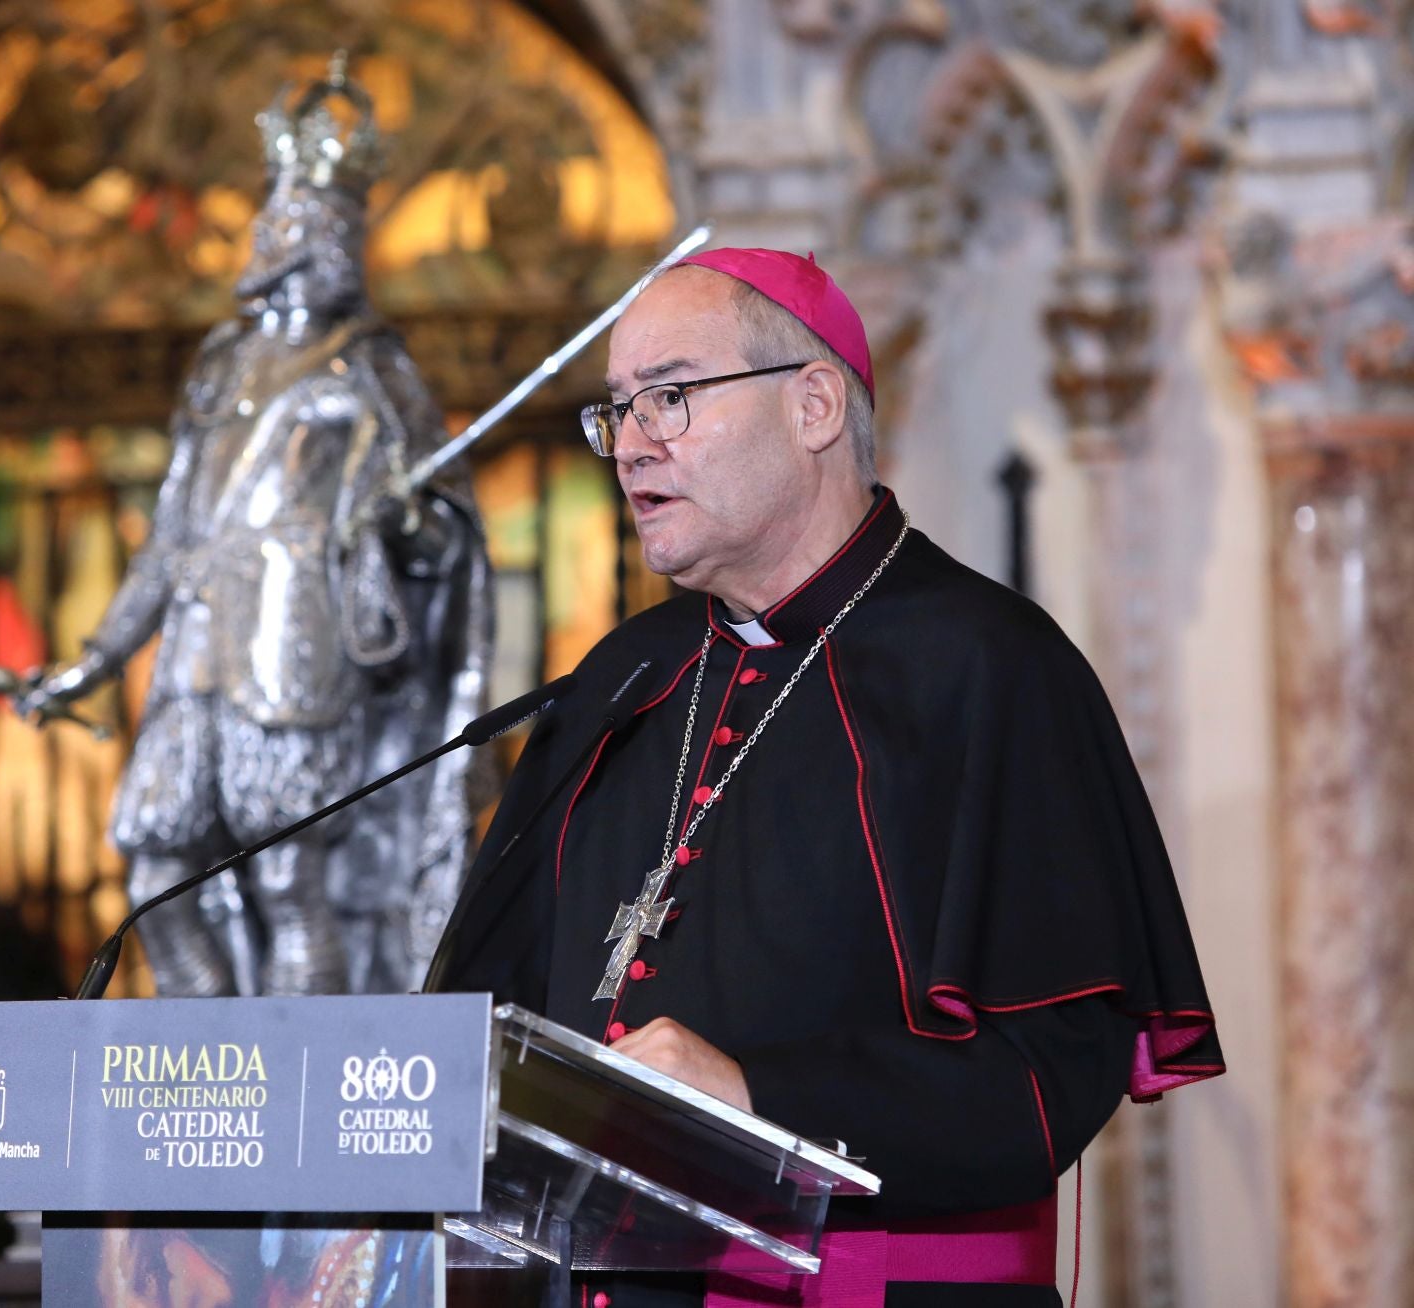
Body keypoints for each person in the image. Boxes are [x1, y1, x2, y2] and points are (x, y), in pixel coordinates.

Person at [429, 248, 1222, 1307]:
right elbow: (486, 1022)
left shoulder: (989, 667)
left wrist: (755, 1095)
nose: (629, 446)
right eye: (615, 411)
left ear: (812, 406)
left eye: (671, 397)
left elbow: (1051, 1072)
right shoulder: (629, 676)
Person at [18, 61, 491, 998]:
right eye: (282, 221)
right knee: (157, 869)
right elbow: (167, 539)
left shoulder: (374, 369)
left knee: (285, 875)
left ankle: (289, 1089)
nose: (287, 237)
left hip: (295, 649)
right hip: (197, 652)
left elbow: (443, 537)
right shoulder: (222, 365)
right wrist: (92, 663)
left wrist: (403, 521)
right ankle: (204, 1051)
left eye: (307, 226)